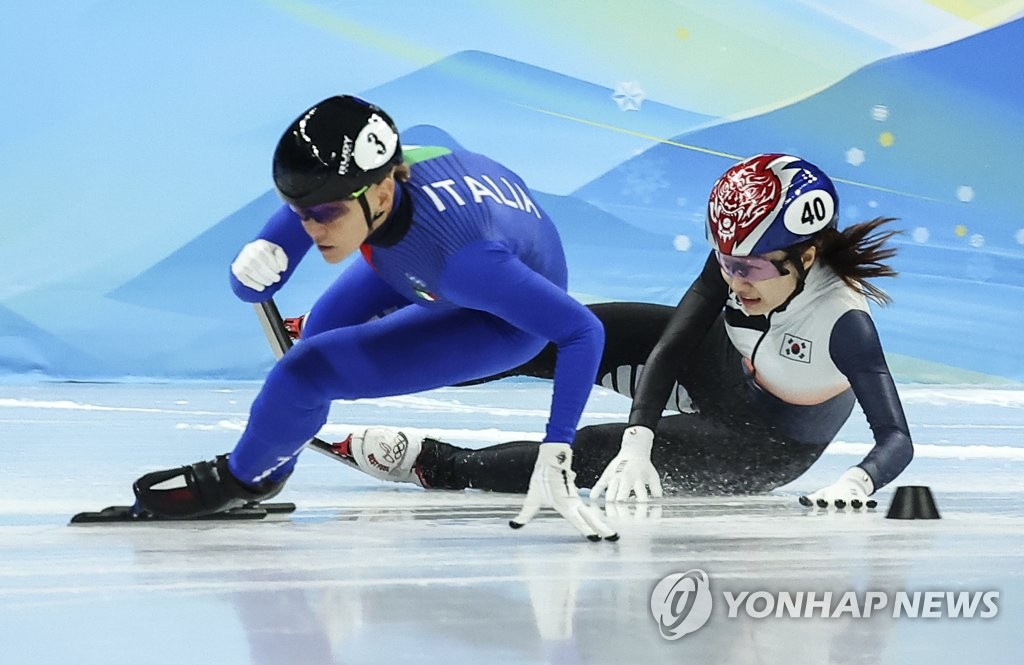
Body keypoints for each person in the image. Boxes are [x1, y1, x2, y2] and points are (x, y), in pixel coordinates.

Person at [132, 95, 616, 540]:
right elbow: (257, 284)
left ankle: (243, 479)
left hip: (501, 318)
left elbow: (582, 331)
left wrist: (556, 451)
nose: (310, 228)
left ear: (383, 193)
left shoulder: (468, 264)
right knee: (315, 339)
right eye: (297, 211)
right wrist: (254, 267)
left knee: (307, 373)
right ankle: (272, 464)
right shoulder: (353, 189)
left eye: (325, 214)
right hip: (423, 255)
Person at [330, 153, 914, 510]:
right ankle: (378, 343)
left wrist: (860, 481)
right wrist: (644, 435)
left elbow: (896, 439)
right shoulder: (745, 254)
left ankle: (442, 465)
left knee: (590, 454)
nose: (732, 279)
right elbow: (675, 342)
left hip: (760, 443)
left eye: (749, 269)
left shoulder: (844, 323)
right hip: (711, 364)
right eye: (724, 261)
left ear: (806, 257)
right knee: (556, 331)